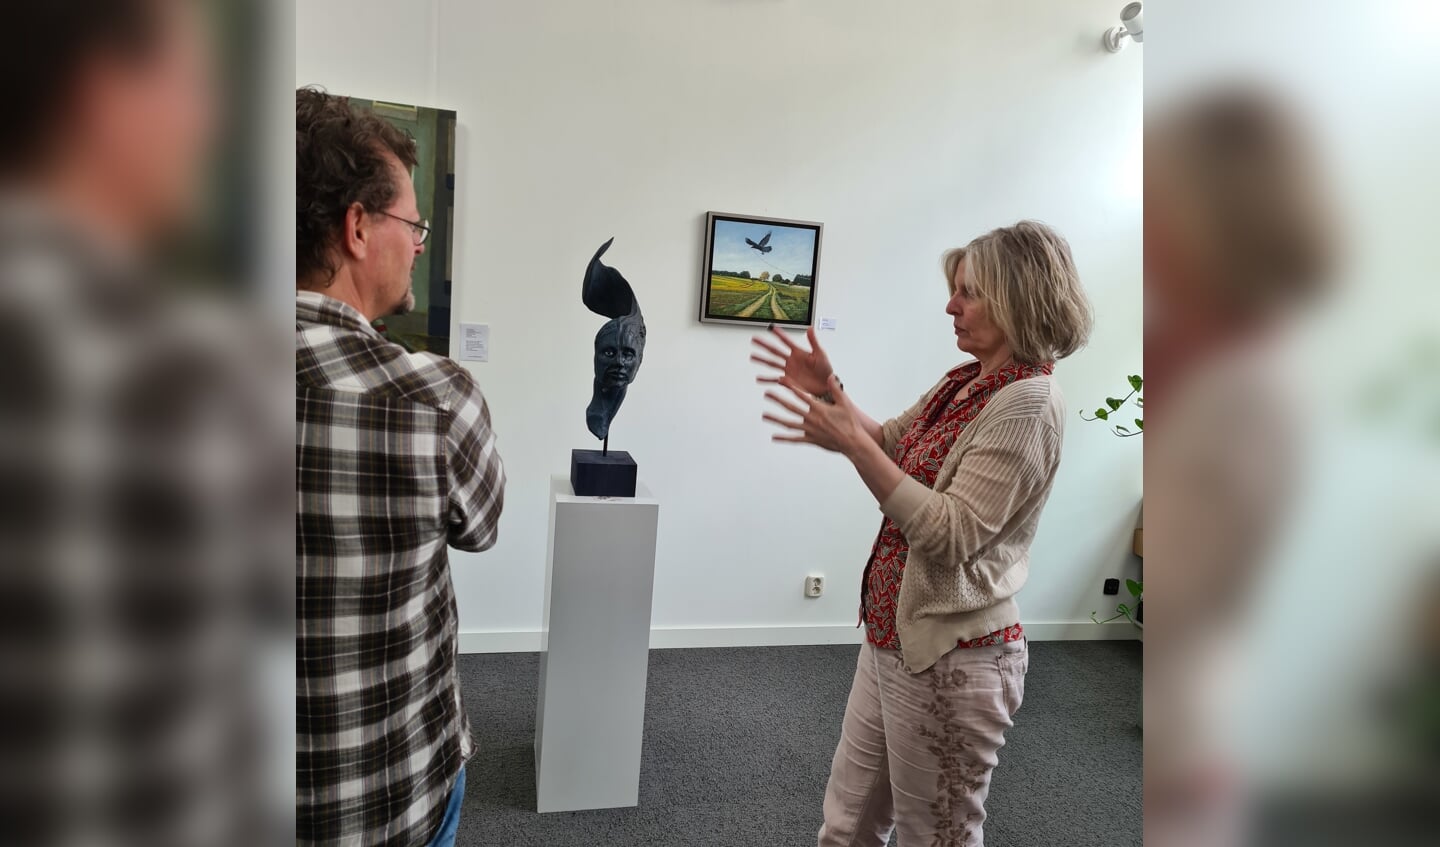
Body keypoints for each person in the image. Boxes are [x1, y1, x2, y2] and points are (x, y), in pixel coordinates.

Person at [754, 220, 1093, 846]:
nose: (950, 306)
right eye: (954, 289)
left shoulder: (1028, 403)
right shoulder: (964, 380)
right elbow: (891, 443)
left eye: (969, 292)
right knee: (847, 827)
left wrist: (854, 448)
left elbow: (952, 533)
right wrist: (831, 391)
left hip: (954, 659)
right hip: (892, 638)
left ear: (1020, 298)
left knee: (934, 836)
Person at [296, 88, 506, 847]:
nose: (419, 243)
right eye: (413, 225)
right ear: (357, 226)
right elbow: (481, 526)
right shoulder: (434, 396)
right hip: (392, 794)